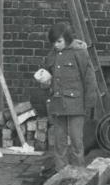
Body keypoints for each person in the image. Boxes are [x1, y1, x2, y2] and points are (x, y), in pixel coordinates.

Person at [37, 22, 96, 170]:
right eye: (53, 42)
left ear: (67, 39)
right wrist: (44, 79)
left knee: (76, 141)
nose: (56, 45)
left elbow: (89, 78)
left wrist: (89, 103)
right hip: (57, 103)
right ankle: (60, 172)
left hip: (76, 104)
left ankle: (78, 172)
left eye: (59, 41)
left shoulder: (79, 53)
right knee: (59, 141)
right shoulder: (52, 55)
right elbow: (47, 75)